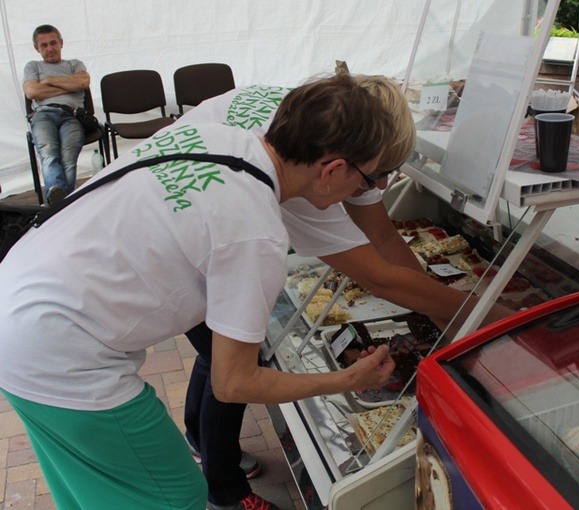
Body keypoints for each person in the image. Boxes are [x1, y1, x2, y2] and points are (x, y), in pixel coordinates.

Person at [0, 73, 398, 510]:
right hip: (59, 351)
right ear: (333, 170)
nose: (369, 190)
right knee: (176, 495)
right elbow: (232, 383)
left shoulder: (211, 133)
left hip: (17, 297)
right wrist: (347, 380)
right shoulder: (256, 232)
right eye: (369, 178)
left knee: (93, 490)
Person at [178, 76, 514, 510]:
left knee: (212, 352)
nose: (377, 187)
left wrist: (440, 310)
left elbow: (386, 240)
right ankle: (223, 488)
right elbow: (380, 278)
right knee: (235, 362)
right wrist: (486, 314)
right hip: (189, 246)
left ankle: (198, 437)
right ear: (343, 163)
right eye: (373, 176)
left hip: (186, 216)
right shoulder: (303, 175)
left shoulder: (322, 119)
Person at [23, 24, 89, 205]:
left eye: (53, 43)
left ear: (61, 43)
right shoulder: (33, 66)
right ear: (37, 48)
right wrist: (67, 85)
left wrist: (49, 81)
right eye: (44, 45)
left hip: (72, 116)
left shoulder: (74, 64)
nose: (50, 48)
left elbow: (82, 82)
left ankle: (55, 204)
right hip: (43, 115)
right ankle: (65, 202)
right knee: (49, 153)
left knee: (68, 156)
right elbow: (32, 92)